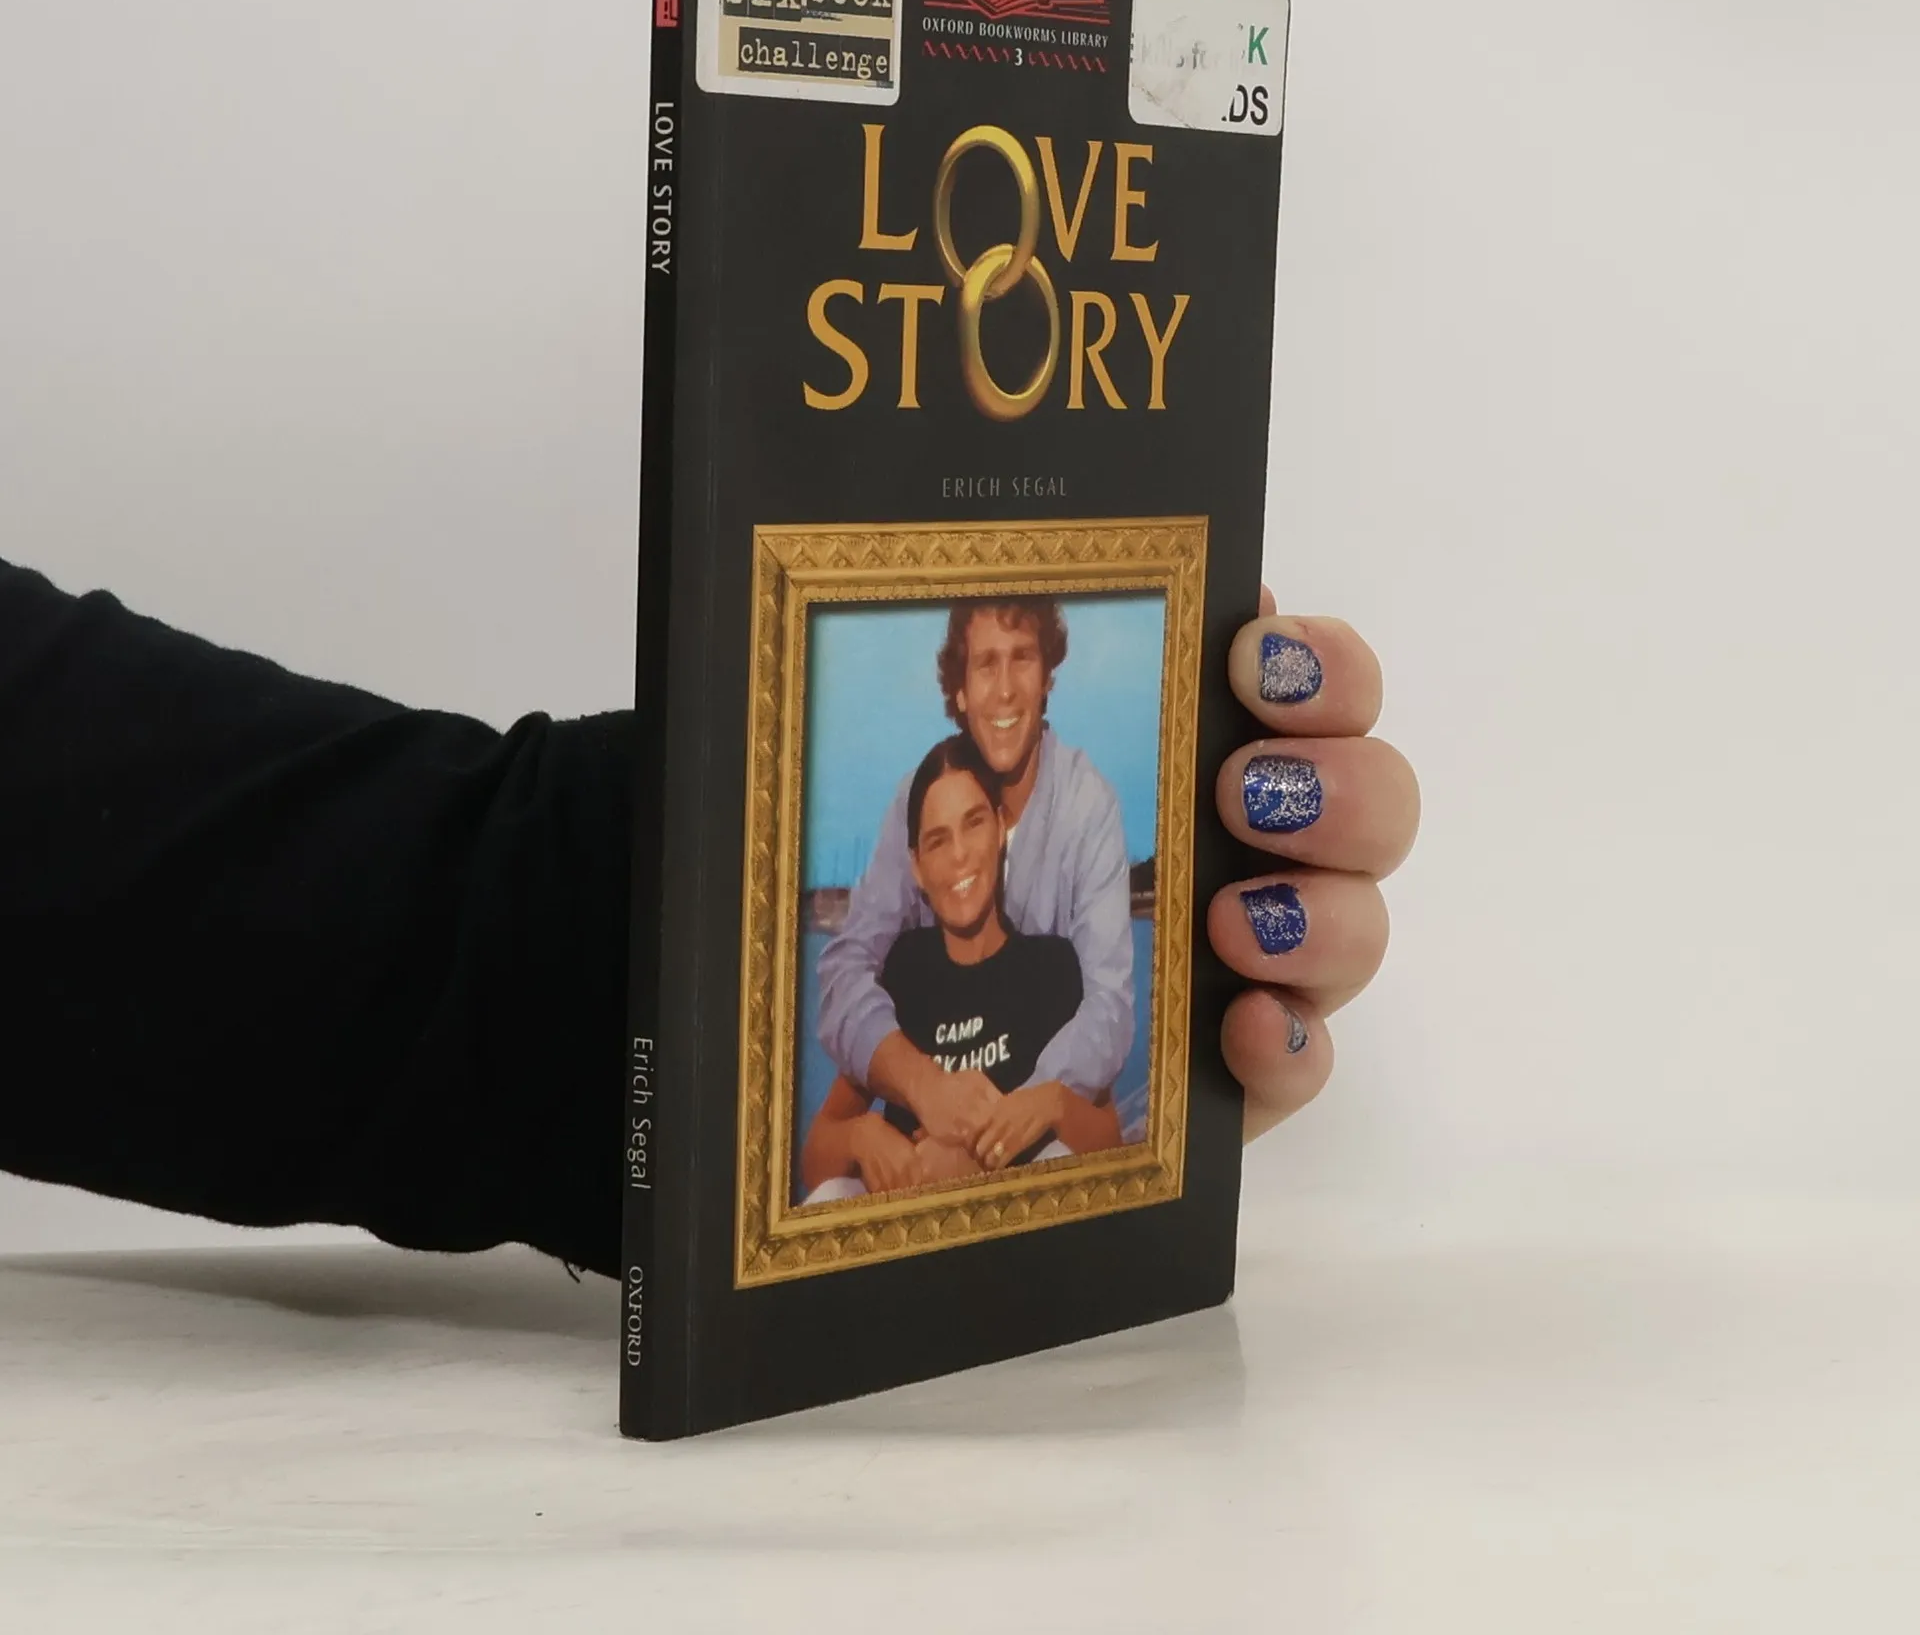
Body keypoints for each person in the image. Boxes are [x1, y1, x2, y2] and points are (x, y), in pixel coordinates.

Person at [0, 553, 1419, 1277]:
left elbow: (1103, 1063)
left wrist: (1059, 1118)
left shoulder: (1072, 912)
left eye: (1021, 660)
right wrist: (890, 1107)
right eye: (930, 835)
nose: (953, 850)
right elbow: (830, 1084)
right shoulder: (883, 959)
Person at [816, 598, 1135, 1175]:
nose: (1005, 689)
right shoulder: (920, 800)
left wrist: (991, 1135)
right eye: (986, 664)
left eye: (1023, 659)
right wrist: (926, 1089)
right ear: (959, 692)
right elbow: (847, 969)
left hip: (1034, 1129)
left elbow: (1107, 1009)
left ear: (1047, 678)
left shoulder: (1088, 807)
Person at [799, 735, 1122, 1203]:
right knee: (832, 1194)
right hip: (907, 1221)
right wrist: (861, 1137)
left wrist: (1052, 1105)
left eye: (974, 823)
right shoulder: (904, 971)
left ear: (1000, 827)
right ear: (916, 866)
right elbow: (815, 1158)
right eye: (937, 840)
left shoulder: (1051, 968)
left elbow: (1110, 1139)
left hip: (1017, 1220)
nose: (959, 855)